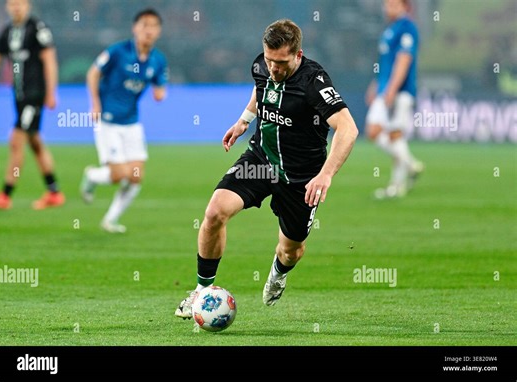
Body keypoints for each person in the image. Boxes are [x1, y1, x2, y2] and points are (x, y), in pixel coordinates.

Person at [175, 19, 358, 319]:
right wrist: (244, 120)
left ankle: (278, 271)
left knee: (291, 250)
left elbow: (348, 129)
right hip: (261, 161)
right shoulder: (262, 66)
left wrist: (325, 174)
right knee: (214, 213)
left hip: (301, 178)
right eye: (270, 60)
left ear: (298, 55)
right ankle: (201, 292)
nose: (273, 68)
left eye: (282, 62)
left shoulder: (314, 83)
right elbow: (261, 90)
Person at [80, 8, 168, 233]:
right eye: (144, 25)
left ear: (159, 31)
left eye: (153, 26)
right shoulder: (118, 51)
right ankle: (91, 175)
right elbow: (93, 73)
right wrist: (95, 104)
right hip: (108, 120)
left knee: (136, 177)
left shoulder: (158, 60)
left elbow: (159, 86)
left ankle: (110, 219)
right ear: (135, 28)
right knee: (119, 175)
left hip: (131, 122)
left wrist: (160, 91)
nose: (149, 30)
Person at [0, 0, 65, 210]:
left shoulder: (37, 28)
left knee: (16, 140)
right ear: (7, 7)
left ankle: (5, 194)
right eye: (12, 4)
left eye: (20, 3)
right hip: (18, 96)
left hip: (35, 94)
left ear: (28, 6)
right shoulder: (7, 31)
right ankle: (54, 192)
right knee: (34, 142)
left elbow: (49, 60)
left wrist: (51, 92)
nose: (16, 7)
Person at [365, 0, 424, 199]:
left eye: (393, 4)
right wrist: (376, 84)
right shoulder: (391, 29)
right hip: (387, 88)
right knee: (394, 136)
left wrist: (391, 89)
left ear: (405, 7)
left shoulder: (407, 27)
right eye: (387, 4)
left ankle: (409, 166)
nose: (388, 8)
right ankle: (399, 184)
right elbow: (386, 63)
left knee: (375, 131)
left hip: (400, 91)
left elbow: (404, 59)